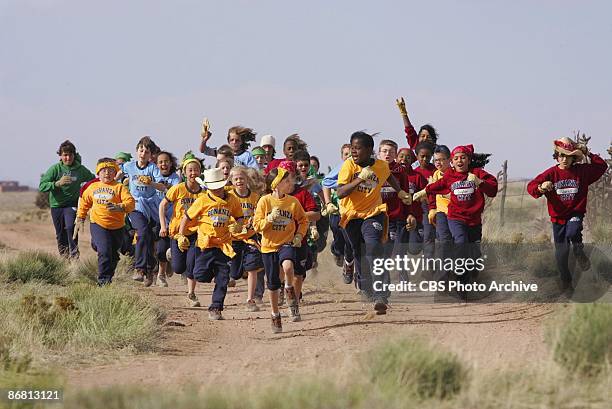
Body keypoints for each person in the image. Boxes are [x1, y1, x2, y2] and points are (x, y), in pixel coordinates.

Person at [337, 131, 411, 314]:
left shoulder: (380, 166)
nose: (354, 151)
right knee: (359, 253)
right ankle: (365, 288)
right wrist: (360, 178)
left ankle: (381, 295)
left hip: (373, 214)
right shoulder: (348, 166)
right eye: (352, 147)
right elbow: (340, 192)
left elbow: (388, 176)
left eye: (358, 148)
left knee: (374, 249)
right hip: (351, 215)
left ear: (369, 150)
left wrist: (400, 192)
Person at [527, 137, 607, 294]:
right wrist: (541, 187)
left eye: (568, 156)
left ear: (573, 158)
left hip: (575, 213)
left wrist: (587, 152)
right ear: (556, 156)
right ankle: (566, 281)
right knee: (561, 254)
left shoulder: (582, 171)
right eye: (561, 155)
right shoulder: (551, 173)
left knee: (573, 231)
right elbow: (531, 187)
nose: (564, 159)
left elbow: (601, 166)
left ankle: (578, 251)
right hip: (558, 219)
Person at [416, 144, 498, 283]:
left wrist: (479, 182)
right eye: (457, 158)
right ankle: (454, 278)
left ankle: (470, 276)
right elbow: (439, 185)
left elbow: (493, 189)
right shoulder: (449, 175)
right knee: (459, 242)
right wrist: (425, 192)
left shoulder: (476, 173)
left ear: (469, 159)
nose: (460, 160)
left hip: (474, 219)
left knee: (474, 252)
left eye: (463, 157)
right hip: (455, 217)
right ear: (452, 162)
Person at [179, 167, 244, 320]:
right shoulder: (202, 200)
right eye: (213, 188)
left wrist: (239, 225)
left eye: (219, 187)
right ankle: (213, 272)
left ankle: (216, 307)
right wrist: (181, 235)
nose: (217, 190)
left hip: (223, 245)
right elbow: (186, 218)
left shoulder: (232, 200)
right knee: (200, 275)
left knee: (223, 279)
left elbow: (240, 217)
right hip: (205, 245)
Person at [253, 167, 309, 332]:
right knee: (272, 284)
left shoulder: (293, 202)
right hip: (268, 246)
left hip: (287, 243)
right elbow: (257, 226)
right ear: (276, 185)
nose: (290, 183)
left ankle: (289, 288)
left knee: (288, 266)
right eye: (286, 181)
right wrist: (269, 219)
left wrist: (299, 235)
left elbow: (303, 220)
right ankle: (275, 314)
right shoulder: (264, 201)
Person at [75, 159, 135, 285]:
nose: (107, 173)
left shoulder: (119, 187)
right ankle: (103, 281)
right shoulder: (92, 187)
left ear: (115, 173)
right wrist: (80, 217)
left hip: (117, 226)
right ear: (98, 172)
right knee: (104, 251)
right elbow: (84, 202)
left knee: (113, 254)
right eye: (103, 170)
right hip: (98, 224)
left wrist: (120, 207)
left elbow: (131, 203)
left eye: (110, 170)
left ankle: (107, 272)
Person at [159, 156, 205, 307]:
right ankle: (171, 253)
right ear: (184, 173)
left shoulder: (203, 193)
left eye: (196, 170)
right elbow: (162, 205)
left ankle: (191, 294)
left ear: (200, 172)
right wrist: (163, 226)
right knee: (179, 268)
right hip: (177, 233)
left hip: (195, 233)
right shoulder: (178, 188)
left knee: (192, 264)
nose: (193, 173)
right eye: (190, 170)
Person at [123, 136, 168, 286]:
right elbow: (116, 175)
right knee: (142, 232)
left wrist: (151, 183)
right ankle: (139, 269)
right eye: (141, 150)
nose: (143, 153)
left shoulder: (152, 168)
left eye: (147, 151)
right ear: (136, 151)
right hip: (135, 205)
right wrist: (120, 182)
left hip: (152, 206)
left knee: (149, 237)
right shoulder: (129, 166)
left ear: (150, 155)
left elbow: (162, 187)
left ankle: (150, 269)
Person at [39, 140, 95, 259]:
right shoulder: (55, 169)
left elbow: (93, 180)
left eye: (70, 154)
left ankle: (74, 256)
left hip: (72, 205)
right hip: (57, 206)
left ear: (74, 155)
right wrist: (57, 183)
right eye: (65, 155)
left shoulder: (80, 169)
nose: (68, 157)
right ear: (60, 155)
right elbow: (42, 186)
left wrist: (86, 191)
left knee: (70, 228)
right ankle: (64, 258)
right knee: (60, 234)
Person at [378, 140, 427, 268]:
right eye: (384, 151)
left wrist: (410, 213)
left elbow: (406, 196)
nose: (388, 154)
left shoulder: (400, 172)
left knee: (397, 250)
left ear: (395, 155)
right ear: (379, 154)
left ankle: (401, 277)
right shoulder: (372, 170)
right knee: (378, 250)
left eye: (391, 152)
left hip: (396, 217)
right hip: (377, 216)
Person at [227, 166, 264, 311]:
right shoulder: (229, 196)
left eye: (241, 178)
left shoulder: (255, 197)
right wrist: (233, 225)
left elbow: (258, 214)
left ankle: (250, 299)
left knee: (253, 268)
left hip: (250, 237)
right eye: (235, 179)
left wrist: (252, 223)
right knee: (235, 273)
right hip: (234, 238)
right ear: (231, 181)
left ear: (247, 179)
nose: (239, 181)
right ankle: (239, 271)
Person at [322, 143, 353, 283]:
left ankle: (350, 265)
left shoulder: (360, 169)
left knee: (350, 241)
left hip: (352, 212)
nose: (349, 157)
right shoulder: (340, 169)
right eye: (346, 154)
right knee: (338, 235)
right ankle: (336, 251)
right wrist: (328, 203)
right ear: (342, 156)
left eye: (351, 153)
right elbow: (325, 182)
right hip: (336, 210)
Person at [154, 151, 181, 287]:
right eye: (160, 162)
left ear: (171, 163)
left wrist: (153, 184)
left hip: (174, 219)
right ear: (156, 164)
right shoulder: (153, 175)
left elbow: (171, 189)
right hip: (159, 218)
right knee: (160, 249)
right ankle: (161, 275)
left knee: (172, 250)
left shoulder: (175, 178)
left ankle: (174, 267)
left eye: (166, 161)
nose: (163, 164)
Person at [427, 145, 453, 279]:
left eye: (442, 159)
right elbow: (431, 193)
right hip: (441, 212)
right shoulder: (435, 175)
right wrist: (432, 209)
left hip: (456, 213)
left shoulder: (456, 174)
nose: (439, 163)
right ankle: (443, 277)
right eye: (436, 160)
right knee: (444, 241)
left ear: (450, 160)